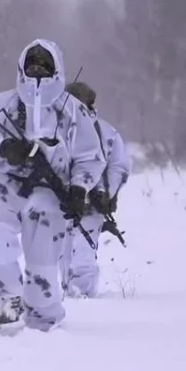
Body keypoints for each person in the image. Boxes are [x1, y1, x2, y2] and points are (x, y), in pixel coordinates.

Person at [0, 39, 105, 332]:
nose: (37, 70)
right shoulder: (1, 105)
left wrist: (79, 189)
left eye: (44, 65)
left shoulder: (72, 111)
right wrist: (2, 147)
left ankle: (44, 327)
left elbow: (90, 156)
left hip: (51, 195)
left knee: (42, 266)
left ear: (56, 69)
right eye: (31, 65)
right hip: (7, 185)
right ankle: (5, 300)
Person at [59, 81, 131, 298]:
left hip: (91, 206)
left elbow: (117, 165)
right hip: (57, 204)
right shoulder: (54, 130)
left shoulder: (106, 133)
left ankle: (82, 299)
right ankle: (58, 295)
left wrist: (104, 193)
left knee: (82, 255)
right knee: (55, 255)